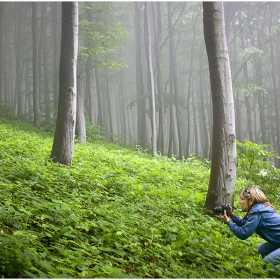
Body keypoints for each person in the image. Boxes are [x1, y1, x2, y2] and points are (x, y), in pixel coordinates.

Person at [220, 186, 280, 268]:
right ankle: (272, 272)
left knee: (267, 262)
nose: (239, 202)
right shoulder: (259, 208)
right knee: (262, 249)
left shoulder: (257, 211)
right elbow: (244, 224)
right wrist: (231, 215)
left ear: (251, 201)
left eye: (242, 199)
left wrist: (228, 222)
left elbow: (243, 234)